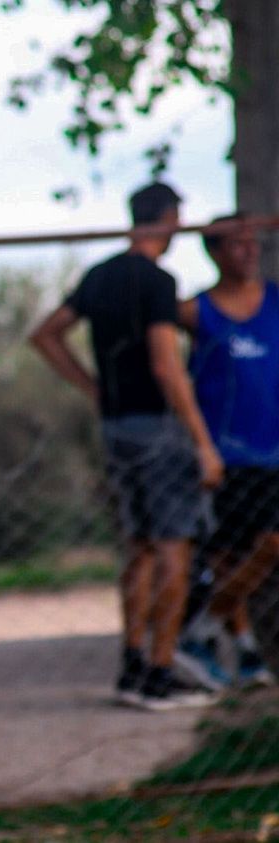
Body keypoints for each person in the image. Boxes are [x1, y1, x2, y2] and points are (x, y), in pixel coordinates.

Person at [29, 181, 223, 711]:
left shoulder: (99, 276)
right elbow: (166, 364)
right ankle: (160, 673)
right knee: (172, 547)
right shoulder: (158, 281)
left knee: (137, 547)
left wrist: (94, 388)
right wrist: (203, 442)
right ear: (168, 218)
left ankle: (132, 664)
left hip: (115, 427)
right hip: (159, 427)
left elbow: (46, 334)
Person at [174, 215, 278, 690]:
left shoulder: (274, 301)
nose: (249, 251)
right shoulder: (197, 311)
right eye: (236, 244)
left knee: (269, 547)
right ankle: (248, 652)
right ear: (214, 252)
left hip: (272, 450)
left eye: (252, 242)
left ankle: (201, 630)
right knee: (227, 559)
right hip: (225, 455)